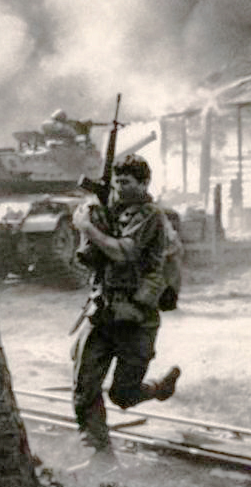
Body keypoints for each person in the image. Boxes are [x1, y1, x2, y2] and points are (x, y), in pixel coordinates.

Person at [70, 154, 181, 460]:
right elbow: (88, 257)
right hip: (104, 310)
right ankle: (101, 458)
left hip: (136, 315)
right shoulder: (106, 209)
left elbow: (123, 252)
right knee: (84, 390)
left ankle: (158, 388)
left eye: (127, 183)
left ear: (144, 183)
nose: (119, 188)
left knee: (123, 395)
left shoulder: (150, 215)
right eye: (117, 182)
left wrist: (87, 227)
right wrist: (89, 222)